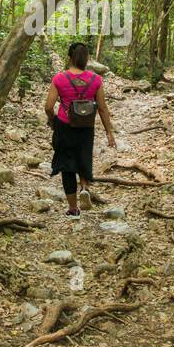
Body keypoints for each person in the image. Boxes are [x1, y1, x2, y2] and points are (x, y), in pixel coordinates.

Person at [43, 42, 115, 217]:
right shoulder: (95, 80)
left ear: (69, 58)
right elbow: (102, 108)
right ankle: (84, 187)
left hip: (65, 126)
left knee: (67, 165)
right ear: (87, 59)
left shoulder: (59, 79)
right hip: (86, 126)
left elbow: (48, 106)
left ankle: (73, 208)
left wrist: (53, 120)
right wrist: (109, 132)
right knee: (83, 158)